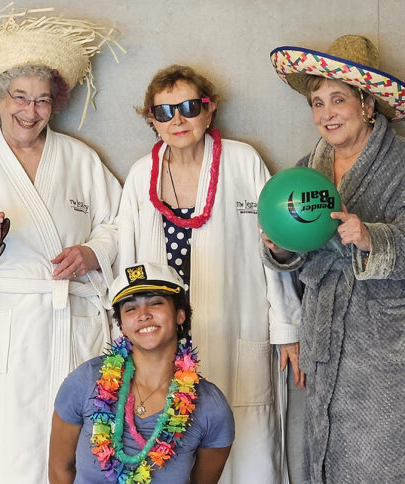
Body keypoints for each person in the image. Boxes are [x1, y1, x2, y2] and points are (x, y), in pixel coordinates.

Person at [0, 7, 122, 483]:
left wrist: (92, 252)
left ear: (56, 105)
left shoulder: (79, 159)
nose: (30, 112)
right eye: (19, 97)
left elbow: (120, 221)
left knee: (69, 449)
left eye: (43, 101)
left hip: (66, 326)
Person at [265, 35, 405, 482]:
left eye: (338, 100)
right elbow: (295, 246)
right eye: (317, 103)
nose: (327, 113)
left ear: (367, 104)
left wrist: (371, 236)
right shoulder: (306, 170)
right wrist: (279, 248)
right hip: (330, 329)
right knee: (335, 451)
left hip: (395, 336)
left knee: (399, 452)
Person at [115, 64, 302, 483]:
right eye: (164, 112)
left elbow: (272, 244)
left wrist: (287, 327)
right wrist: (122, 335)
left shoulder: (242, 161)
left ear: (209, 110)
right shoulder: (140, 175)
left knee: (248, 446)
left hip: (236, 324)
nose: (177, 120)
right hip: (163, 338)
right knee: (171, 449)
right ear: (152, 120)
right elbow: (126, 263)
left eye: (188, 107)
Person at [49, 262, 234, 483]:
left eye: (156, 303)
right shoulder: (86, 381)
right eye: (130, 308)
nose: (143, 315)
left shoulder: (211, 407)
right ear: (122, 325)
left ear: (180, 315)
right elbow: (60, 469)